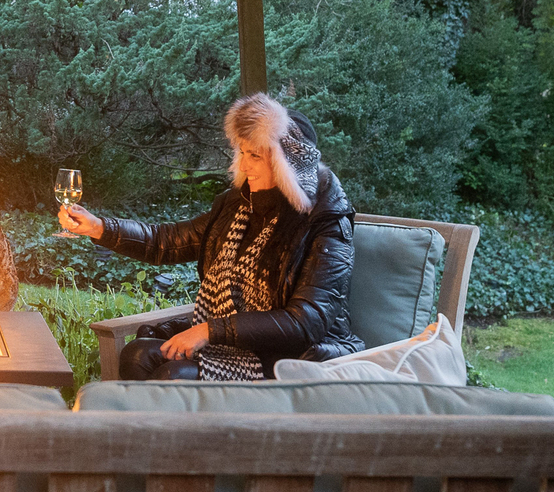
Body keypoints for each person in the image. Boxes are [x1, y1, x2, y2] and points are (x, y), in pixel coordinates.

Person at [58, 93, 363, 380]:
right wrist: (99, 227)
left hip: (294, 356)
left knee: (173, 376)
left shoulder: (327, 224)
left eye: (255, 155)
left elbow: (304, 322)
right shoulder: (239, 206)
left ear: (287, 163)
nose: (244, 165)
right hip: (237, 342)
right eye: (242, 153)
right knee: (137, 356)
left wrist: (209, 330)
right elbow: (167, 241)